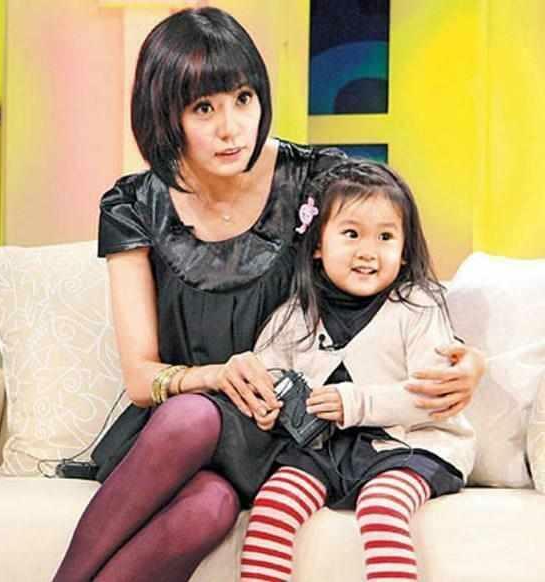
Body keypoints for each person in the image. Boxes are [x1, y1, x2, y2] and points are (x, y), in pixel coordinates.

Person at [53, 7, 484, 582]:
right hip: (182, 432)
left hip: (279, 429)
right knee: (197, 452)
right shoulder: (134, 203)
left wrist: (469, 361)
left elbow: (392, 274)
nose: (232, 128)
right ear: (164, 115)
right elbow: (140, 376)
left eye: (243, 99)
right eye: (203, 108)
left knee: (211, 500)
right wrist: (218, 374)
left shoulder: (315, 179)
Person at [212, 159, 475, 582]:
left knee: (382, 506)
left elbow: (432, 398)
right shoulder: (296, 314)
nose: (368, 251)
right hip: (325, 449)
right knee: (273, 507)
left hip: (411, 445)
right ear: (318, 244)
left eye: (385, 237)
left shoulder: (417, 307)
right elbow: (266, 372)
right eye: (351, 234)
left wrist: (354, 402)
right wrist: (268, 404)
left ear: (404, 250)